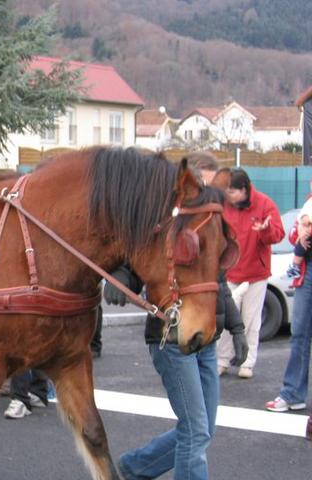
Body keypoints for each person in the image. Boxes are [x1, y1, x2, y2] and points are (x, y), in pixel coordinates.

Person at [111, 153, 248, 480]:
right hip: (171, 338)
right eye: (200, 183)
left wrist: (237, 328)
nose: (205, 191)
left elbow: (219, 284)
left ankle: (134, 467)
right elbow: (133, 261)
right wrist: (119, 278)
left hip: (207, 339)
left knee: (203, 429)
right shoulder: (159, 225)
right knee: (196, 430)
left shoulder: (209, 224)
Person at [217, 168, 284, 379]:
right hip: (229, 272)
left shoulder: (265, 204)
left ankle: (247, 362)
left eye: (232, 192)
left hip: (256, 273)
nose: (229, 196)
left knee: (251, 320)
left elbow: (278, 234)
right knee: (226, 319)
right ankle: (222, 360)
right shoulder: (223, 206)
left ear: (244, 190)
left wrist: (265, 229)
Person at [265, 199, 312, 413]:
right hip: (307, 271)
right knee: (299, 334)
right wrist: (301, 235)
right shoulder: (309, 203)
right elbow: (293, 234)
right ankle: (292, 393)